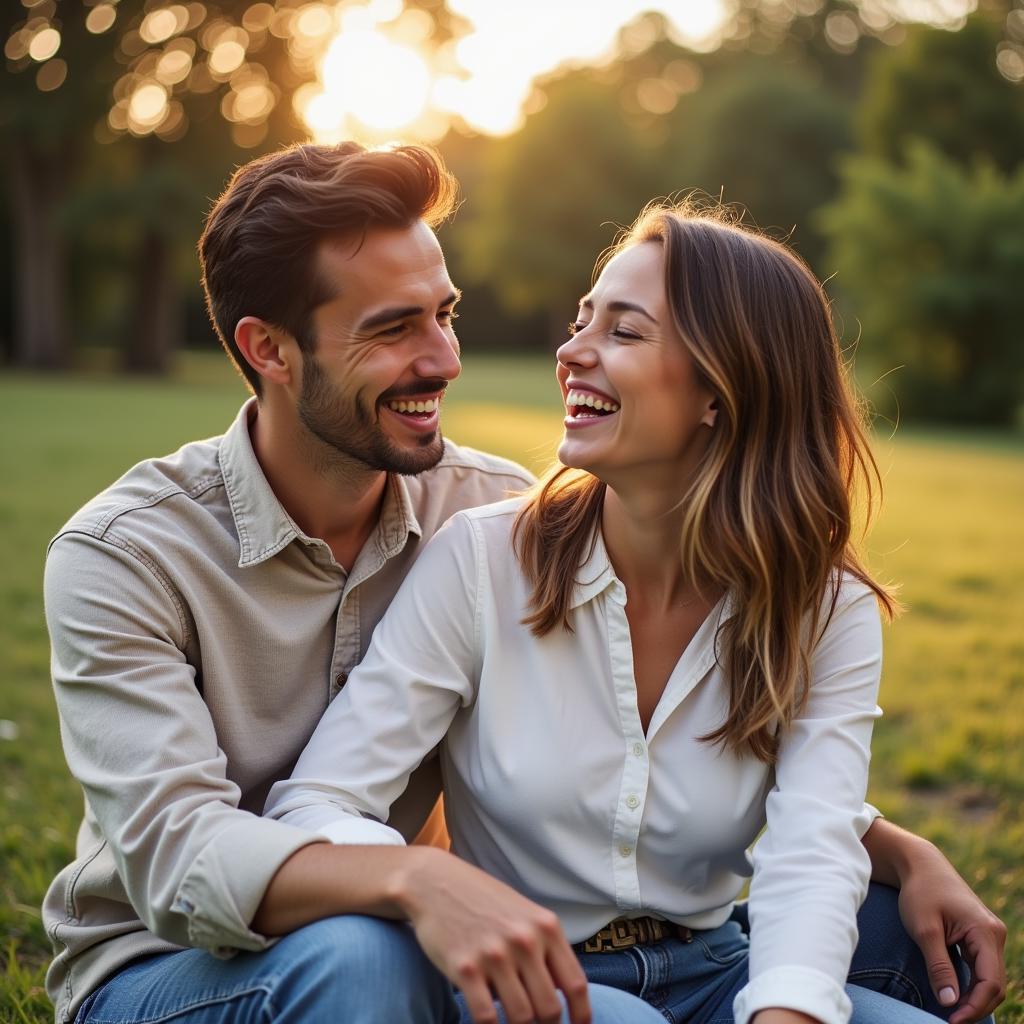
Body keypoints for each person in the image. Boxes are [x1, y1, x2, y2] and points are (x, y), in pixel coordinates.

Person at [42, 142, 1005, 1024]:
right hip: (183, 957)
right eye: (394, 329)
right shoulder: (126, 555)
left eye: (446, 315)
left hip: (507, 936)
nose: (447, 359)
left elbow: (740, 796)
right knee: (367, 960)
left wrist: (896, 847)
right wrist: (416, 883)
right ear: (270, 350)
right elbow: (177, 857)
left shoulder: (507, 510)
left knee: (907, 958)